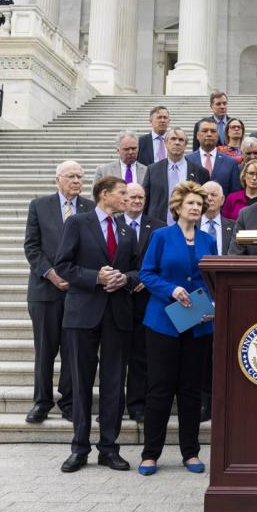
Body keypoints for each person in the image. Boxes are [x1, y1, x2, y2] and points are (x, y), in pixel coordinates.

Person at [53, 175, 140, 473]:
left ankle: (109, 448)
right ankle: (79, 448)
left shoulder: (126, 230)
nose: (127, 198)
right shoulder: (78, 223)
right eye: (122, 193)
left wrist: (125, 279)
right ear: (105, 195)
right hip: (83, 314)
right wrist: (96, 277)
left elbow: (139, 269)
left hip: (117, 314)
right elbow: (63, 265)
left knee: (115, 383)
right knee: (80, 382)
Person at [137, 181, 217, 476]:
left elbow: (212, 278)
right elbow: (146, 272)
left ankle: (190, 452)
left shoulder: (208, 240)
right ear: (178, 207)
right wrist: (171, 290)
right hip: (163, 321)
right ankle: (150, 454)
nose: (196, 208)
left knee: (191, 389)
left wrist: (210, 306)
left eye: (200, 204)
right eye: (191, 203)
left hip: (197, 323)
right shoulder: (161, 236)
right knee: (159, 387)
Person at [22, 160, 91, 424]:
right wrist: (51, 274)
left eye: (80, 177)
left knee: (72, 349)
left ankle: (70, 402)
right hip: (44, 291)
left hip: (76, 292)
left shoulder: (89, 208)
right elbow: (32, 247)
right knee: (45, 349)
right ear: (58, 179)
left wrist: (75, 277)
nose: (76, 181)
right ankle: (41, 401)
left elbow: (91, 249)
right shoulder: (39, 206)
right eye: (71, 176)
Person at [120, 182, 165, 423]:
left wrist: (147, 281)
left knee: (140, 356)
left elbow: (163, 261)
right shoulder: (113, 224)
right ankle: (114, 405)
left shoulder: (157, 227)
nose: (138, 201)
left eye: (141, 197)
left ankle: (137, 405)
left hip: (147, 299)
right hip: (117, 298)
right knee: (115, 357)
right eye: (133, 197)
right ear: (123, 198)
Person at [197, 181, 236, 422]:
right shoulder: (191, 228)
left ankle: (225, 401)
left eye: (215, 195)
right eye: (206, 195)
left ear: (223, 200)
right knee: (202, 352)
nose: (210, 199)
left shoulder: (234, 227)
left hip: (228, 295)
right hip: (199, 297)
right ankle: (203, 402)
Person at [187, 117, 239, 196]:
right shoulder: (187, 160)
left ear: (218, 136)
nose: (209, 134)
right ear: (197, 135)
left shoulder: (231, 163)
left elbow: (235, 195)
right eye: (205, 131)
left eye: (213, 131)